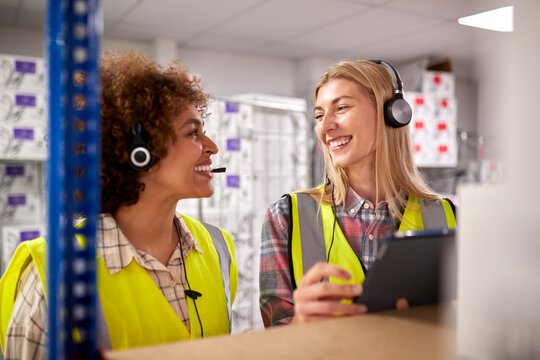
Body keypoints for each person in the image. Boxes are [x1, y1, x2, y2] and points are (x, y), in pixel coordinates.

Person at [0, 49, 237, 357]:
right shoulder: (55, 273)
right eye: (193, 132)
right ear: (139, 151)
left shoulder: (218, 248)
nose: (212, 147)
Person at [259, 60, 456, 326]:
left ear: (391, 114)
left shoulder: (447, 216)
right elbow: (273, 341)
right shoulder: (286, 217)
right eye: (319, 115)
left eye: (340, 108)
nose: (325, 126)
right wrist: (298, 325)